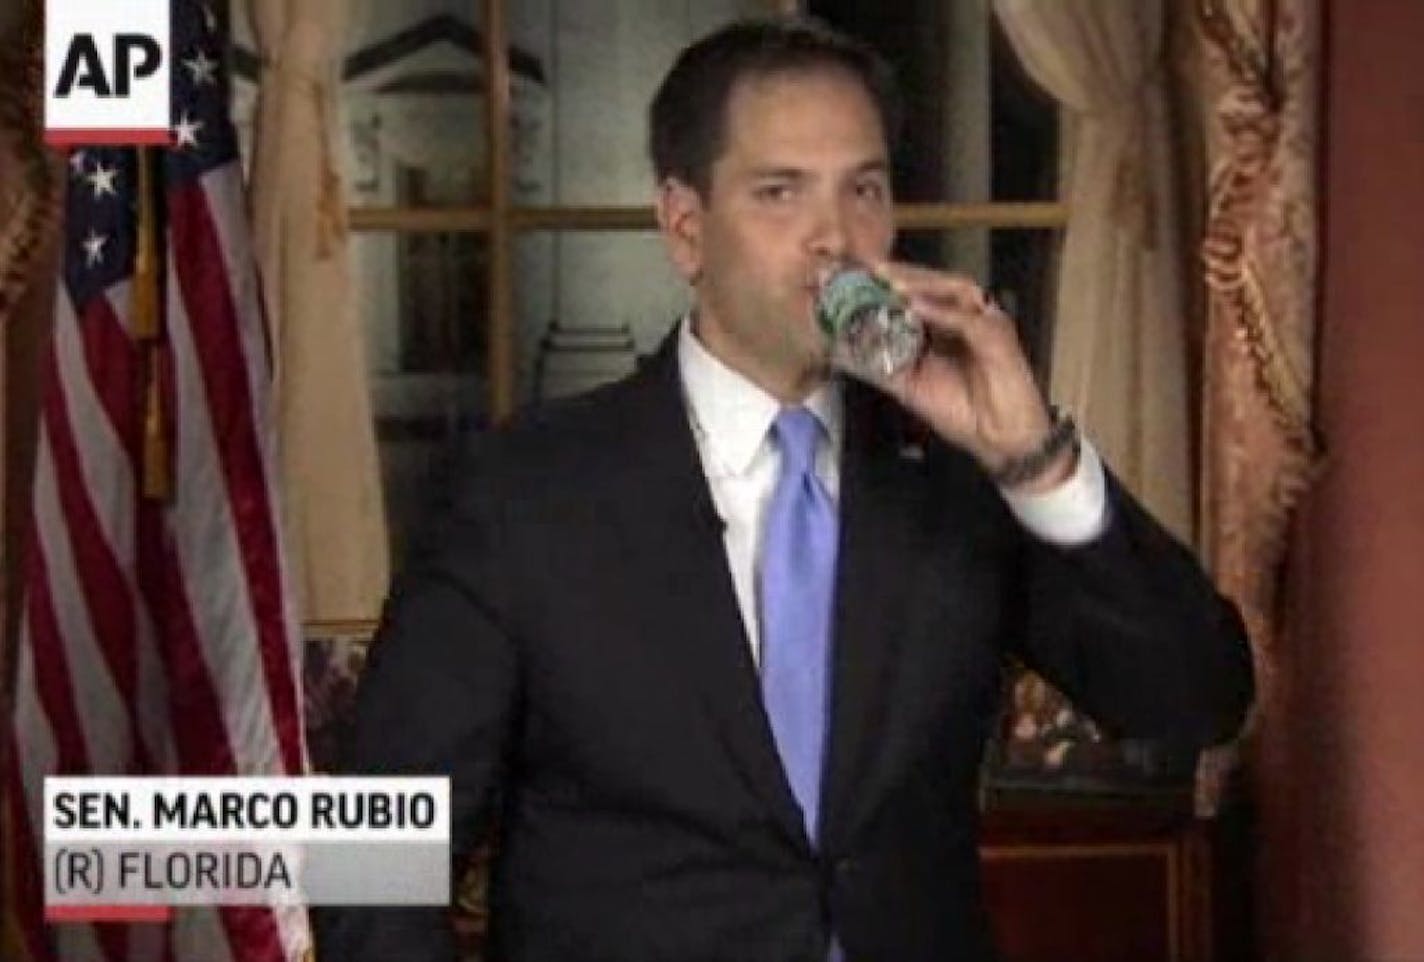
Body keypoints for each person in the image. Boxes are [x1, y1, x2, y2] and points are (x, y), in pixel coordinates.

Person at [315, 16, 1253, 962]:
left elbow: (1193, 702)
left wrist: (1035, 461)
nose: (834, 238)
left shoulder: (957, 479)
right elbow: (369, 859)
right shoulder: (524, 496)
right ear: (686, 228)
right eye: (780, 193)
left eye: (865, 190)